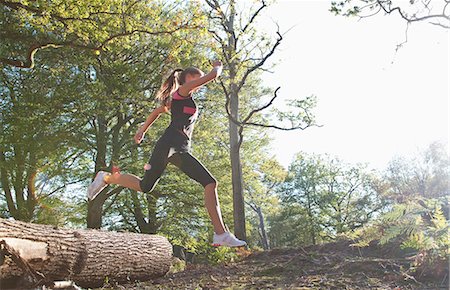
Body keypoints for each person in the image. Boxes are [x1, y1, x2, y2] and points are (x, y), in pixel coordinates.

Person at [87, 61, 247, 247]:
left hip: (179, 150)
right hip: (168, 145)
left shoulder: (182, 100)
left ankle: (220, 234)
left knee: (157, 185)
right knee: (196, 183)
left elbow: (157, 111)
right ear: (186, 79)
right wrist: (218, 66)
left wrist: (143, 130)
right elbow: (212, 76)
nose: (200, 81)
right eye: (197, 77)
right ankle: (106, 177)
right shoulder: (181, 92)